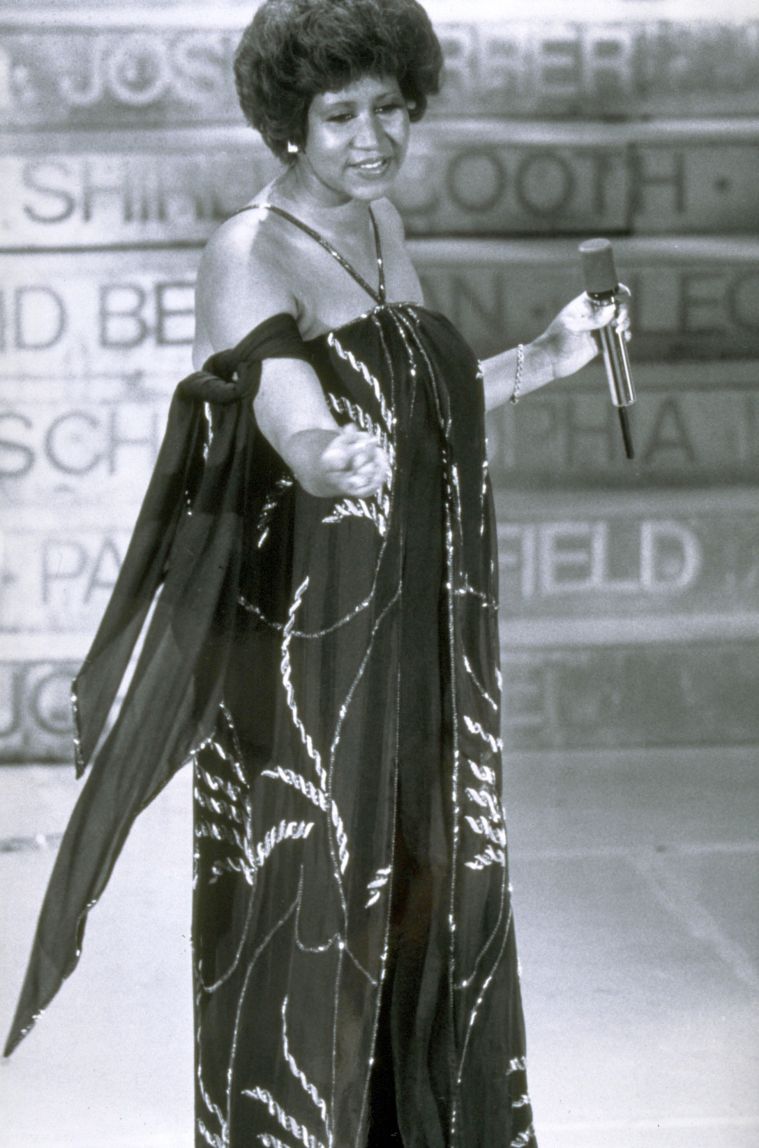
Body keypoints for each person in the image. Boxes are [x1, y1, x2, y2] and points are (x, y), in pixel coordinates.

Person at [5, 2, 627, 1145]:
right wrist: (324, 449)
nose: (371, 136)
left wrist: (550, 351)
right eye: (339, 114)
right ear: (289, 123)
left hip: (422, 621)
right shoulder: (247, 250)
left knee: (436, 886)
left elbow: (426, 404)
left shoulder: (381, 224)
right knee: (312, 907)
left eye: (390, 107)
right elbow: (294, 413)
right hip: (309, 645)